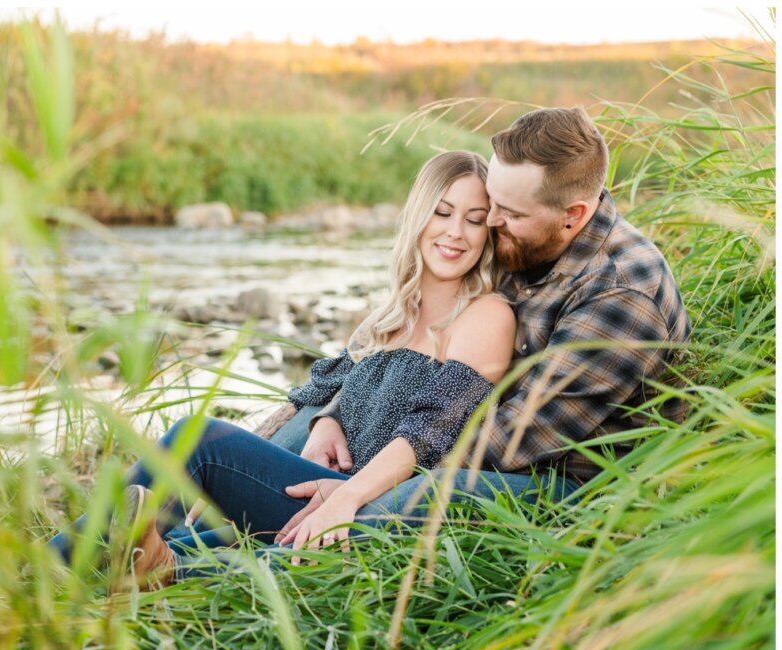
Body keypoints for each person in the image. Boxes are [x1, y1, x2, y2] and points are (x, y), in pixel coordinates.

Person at [49, 150, 524, 586]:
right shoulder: (393, 315)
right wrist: (326, 421)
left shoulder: (485, 315)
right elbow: (337, 379)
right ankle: (78, 573)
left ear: (489, 233)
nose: (455, 233)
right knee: (186, 540)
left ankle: (52, 570)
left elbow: (429, 432)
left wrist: (344, 498)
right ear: (419, 216)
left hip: (373, 504)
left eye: (474, 220)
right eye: (442, 213)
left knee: (201, 439)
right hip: (317, 488)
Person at [288, 105, 692, 528]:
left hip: (573, 491)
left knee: (421, 493)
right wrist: (334, 415)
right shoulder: (530, 236)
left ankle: (249, 571)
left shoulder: (620, 292)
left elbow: (516, 436)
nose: (492, 222)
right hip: (462, 444)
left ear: (573, 215)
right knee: (273, 437)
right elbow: (410, 339)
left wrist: (365, 480)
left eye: (510, 213)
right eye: (493, 203)